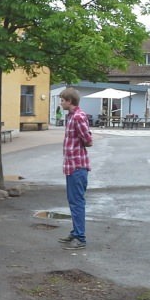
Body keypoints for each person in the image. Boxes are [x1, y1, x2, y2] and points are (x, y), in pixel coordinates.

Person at [57, 88, 93, 250]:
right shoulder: (71, 116)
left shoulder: (78, 117)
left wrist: (81, 143)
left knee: (77, 202)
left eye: (62, 100)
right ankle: (76, 232)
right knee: (73, 202)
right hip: (71, 166)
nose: (61, 103)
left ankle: (80, 237)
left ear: (70, 101)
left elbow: (88, 140)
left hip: (78, 166)